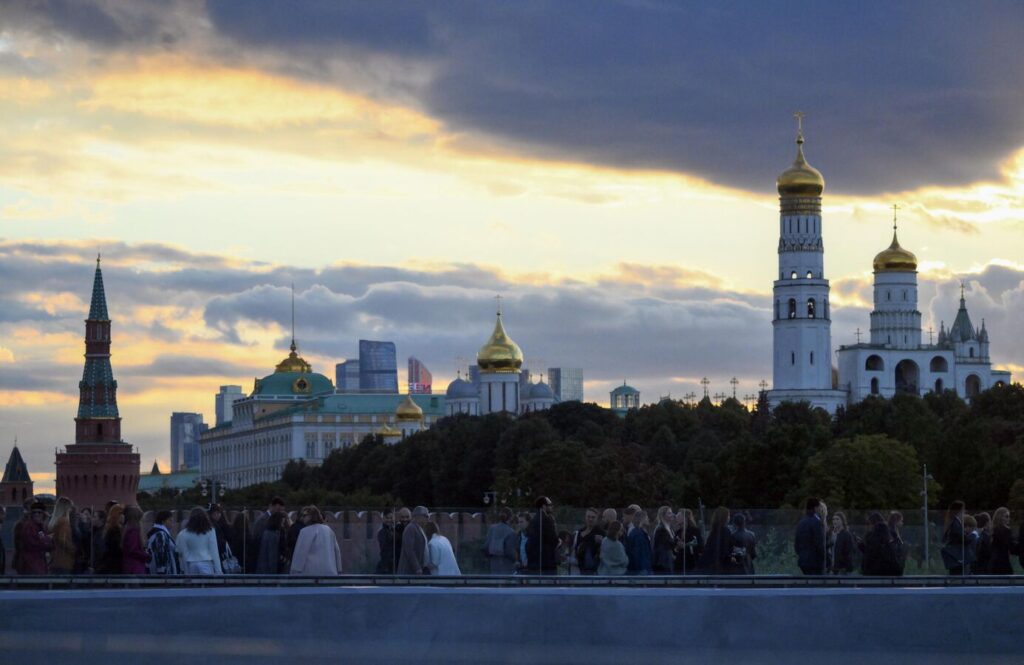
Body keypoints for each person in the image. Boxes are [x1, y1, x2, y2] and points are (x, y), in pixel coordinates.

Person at [289, 506, 342, 576]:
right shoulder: (329, 530)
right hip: (330, 572)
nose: (302, 518)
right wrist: (339, 569)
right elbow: (337, 551)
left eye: (304, 515)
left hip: (310, 573)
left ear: (310, 516)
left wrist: (294, 572)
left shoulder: (305, 531)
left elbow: (301, 552)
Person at [176, 507, 223, 575]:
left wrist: (184, 570)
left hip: (191, 563)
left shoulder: (183, 533)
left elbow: (182, 552)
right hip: (206, 562)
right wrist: (219, 571)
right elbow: (214, 552)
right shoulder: (210, 531)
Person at [696, 506, 740, 574]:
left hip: (708, 566)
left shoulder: (714, 531)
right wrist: (731, 559)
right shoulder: (725, 531)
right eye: (728, 515)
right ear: (724, 517)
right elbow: (723, 551)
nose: (729, 517)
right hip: (718, 568)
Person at [17, 501, 54, 575]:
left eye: (39, 512)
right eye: (34, 512)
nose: (37, 514)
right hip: (32, 565)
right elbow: (35, 544)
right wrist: (48, 540)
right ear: (31, 514)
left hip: (37, 564)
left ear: (43, 514)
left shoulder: (38, 527)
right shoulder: (29, 527)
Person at [525, 496, 559, 575]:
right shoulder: (546, 520)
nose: (552, 506)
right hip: (546, 563)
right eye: (550, 504)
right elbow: (553, 540)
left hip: (534, 563)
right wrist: (559, 541)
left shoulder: (534, 520)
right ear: (544, 506)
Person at [794, 498, 826, 575]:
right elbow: (819, 543)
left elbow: (796, 544)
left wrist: (802, 554)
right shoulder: (816, 522)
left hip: (803, 561)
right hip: (814, 562)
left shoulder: (801, 523)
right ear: (815, 508)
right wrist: (822, 557)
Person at [482, 508, 516, 575]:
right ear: (510, 518)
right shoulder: (511, 532)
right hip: (506, 564)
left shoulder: (492, 528)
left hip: (493, 563)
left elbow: (486, 546)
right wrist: (515, 560)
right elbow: (509, 551)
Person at [48, 497, 77, 575]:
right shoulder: (64, 522)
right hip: (64, 560)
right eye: (70, 508)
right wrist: (73, 550)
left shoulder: (54, 522)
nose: (71, 510)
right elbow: (63, 540)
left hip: (54, 559)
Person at [398, 505, 430, 575]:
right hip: (409, 572)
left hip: (418, 570)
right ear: (418, 516)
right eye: (426, 516)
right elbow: (409, 550)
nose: (427, 519)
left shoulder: (419, 529)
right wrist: (417, 567)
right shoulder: (410, 528)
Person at [573, 508, 605, 576]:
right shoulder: (579, 532)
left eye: (593, 517)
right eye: (588, 517)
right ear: (585, 517)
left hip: (594, 569)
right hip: (578, 566)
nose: (590, 519)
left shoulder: (601, 533)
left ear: (597, 519)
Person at [146, 510, 180, 575]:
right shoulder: (160, 535)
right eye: (170, 520)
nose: (172, 523)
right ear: (163, 521)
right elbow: (161, 553)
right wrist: (162, 571)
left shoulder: (160, 533)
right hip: (163, 573)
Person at [96, 504, 124, 575]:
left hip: (109, 563)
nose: (123, 516)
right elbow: (116, 548)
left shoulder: (109, 528)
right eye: (121, 514)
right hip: (113, 564)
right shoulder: (115, 530)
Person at [941, 500, 967, 576]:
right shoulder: (955, 524)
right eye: (963, 510)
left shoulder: (953, 522)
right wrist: (971, 536)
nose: (964, 512)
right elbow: (961, 538)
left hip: (955, 557)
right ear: (959, 511)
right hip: (957, 557)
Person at [989, 507, 1017, 575]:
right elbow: (1012, 548)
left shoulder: (992, 530)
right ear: (1000, 517)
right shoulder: (1006, 531)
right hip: (1003, 564)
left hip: (993, 564)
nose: (1008, 519)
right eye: (1006, 516)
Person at [674, 508, 703, 574]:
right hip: (679, 565)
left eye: (679, 516)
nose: (676, 518)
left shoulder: (694, 531)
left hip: (691, 564)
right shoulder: (677, 532)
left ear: (685, 518)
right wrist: (677, 548)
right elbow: (674, 549)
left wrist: (685, 546)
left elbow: (700, 546)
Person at [121, 505, 149, 574]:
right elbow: (133, 550)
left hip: (129, 565)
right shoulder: (133, 531)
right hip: (135, 567)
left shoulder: (127, 529)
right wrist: (146, 556)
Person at [652, 506, 676, 575]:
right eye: (669, 513)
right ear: (663, 515)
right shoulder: (661, 529)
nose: (672, 515)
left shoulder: (669, 528)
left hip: (667, 560)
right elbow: (668, 544)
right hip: (663, 562)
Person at [376, 509, 397, 574]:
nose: (389, 520)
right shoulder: (382, 532)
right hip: (386, 564)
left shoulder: (393, 530)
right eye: (387, 518)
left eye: (391, 518)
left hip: (394, 563)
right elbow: (384, 548)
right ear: (383, 519)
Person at [393, 507, 411, 572]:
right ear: (399, 518)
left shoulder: (414, 529)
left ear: (411, 517)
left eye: (407, 517)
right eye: (402, 517)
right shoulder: (396, 530)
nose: (405, 519)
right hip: (399, 562)